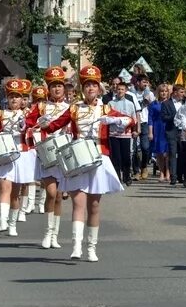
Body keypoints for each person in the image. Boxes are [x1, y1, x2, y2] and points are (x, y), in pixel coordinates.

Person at [41, 65, 128, 261]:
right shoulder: (74, 108)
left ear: (99, 88)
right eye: (87, 85)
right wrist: (42, 123)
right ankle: (76, 246)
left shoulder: (105, 108)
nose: (90, 88)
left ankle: (91, 247)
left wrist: (116, 121)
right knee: (78, 203)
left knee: (94, 206)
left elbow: (129, 120)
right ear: (82, 87)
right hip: (78, 158)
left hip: (98, 158)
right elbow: (55, 124)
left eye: (94, 85)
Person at [24, 67, 73, 249]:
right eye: (53, 86)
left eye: (60, 85)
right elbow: (27, 124)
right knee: (51, 193)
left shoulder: (71, 107)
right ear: (48, 88)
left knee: (59, 196)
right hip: (46, 152)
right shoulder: (41, 106)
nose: (57, 89)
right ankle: (47, 231)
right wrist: (37, 124)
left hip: (63, 153)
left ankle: (55, 235)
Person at [0, 78, 34, 236]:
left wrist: (26, 125)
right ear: (7, 98)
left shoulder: (27, 114)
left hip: (20, 153)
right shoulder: (0, 114)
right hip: (3, 153)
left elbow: (30, 130)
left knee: (15, 193)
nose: (14, 99)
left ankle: (12, 223)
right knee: (4, 188)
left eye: (17, 96)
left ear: (21, 99)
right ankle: (3, 220)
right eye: (11, 96)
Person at [107, 80, 139, 185]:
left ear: (126, 91)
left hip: (126, 134)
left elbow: (134, 119)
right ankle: (117, 177)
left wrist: (135, 130)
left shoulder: (130, 104)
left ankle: (127, 176)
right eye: (118, 89)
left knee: (126, 156)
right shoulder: (111, 103)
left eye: (122, 89)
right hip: (114, 133)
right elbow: (107, 117)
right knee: (116, 157)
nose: (120, 91)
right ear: (116, 90)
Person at [161, 84, 184, 185]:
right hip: (172, 131)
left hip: (183, 131)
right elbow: (163, 117)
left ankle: (181, 176)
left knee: (183, 154)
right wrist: (175, 116)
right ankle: (173, 177)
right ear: (175, 93)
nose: (183, 94)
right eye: (181, 92)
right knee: (173, 154)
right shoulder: (166, 103)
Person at [147, 83, 171, 183]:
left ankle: (168, 173)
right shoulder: (154, 104)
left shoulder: (171, 103)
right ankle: (161, 173)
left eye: (166, 91)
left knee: (168, 153)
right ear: (158, 92)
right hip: (157, 129)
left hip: (168, 128)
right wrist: (150, 132)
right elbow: (150, 119)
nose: (164, 93)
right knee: (159, 153)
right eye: (162, 91)